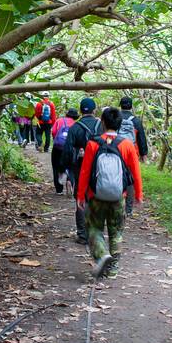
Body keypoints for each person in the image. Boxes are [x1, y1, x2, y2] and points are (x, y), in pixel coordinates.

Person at [76, 107, 143, 278]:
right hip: (118, 197)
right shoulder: (127, 144)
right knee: (116, 232)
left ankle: (101, 254)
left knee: (93, 229)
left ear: (103, 123)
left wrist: (80, 195)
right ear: (120, 124)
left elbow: (84, 172)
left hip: (95, 196)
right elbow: (136, 172)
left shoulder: (93, 144)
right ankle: (112, 269)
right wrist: (138, 195)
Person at [63, 97, 103, 245]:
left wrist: (67, 170)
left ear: (80, 111)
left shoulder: (75, 127)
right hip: (101, 167)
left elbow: (67, 151)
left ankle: (82, 234)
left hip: (80, 167)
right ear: (94, 110)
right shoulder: (101, 126)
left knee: (81, 199)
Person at [116, 96, 149, 215]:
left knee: (117, 176)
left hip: (117, 151)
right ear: (131, 106)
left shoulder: (115, 117)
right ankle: (128, 209)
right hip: (131, 153)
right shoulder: (136, 121)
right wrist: (144, 154)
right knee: (130, 180)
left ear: (120, 105)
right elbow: (141, 138)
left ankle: (117, 203)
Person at [51, 108, 78, 194]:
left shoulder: (59, 120)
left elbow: (54, 131)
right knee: (70, 166)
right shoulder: (75, 124)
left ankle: (59, 190)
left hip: (58, 147)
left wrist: (56, 139)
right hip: (70, 148)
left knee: (55, 166)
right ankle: (69, 181)